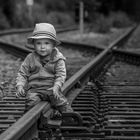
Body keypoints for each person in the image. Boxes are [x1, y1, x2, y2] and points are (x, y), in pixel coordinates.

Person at [16, 23, 73, 115]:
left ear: (53, 44)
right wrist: (20, 86)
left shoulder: (58, 58)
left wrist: (57, 86)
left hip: (51, 89)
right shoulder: (30, 58)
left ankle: (69, 116)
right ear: (33, 44)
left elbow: (60, 75)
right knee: (31, 103)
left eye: (46, 43)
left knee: (61, 103)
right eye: (38, 43)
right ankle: (31, 120)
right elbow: (22, 73)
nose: (42, 47)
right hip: (34, 90)